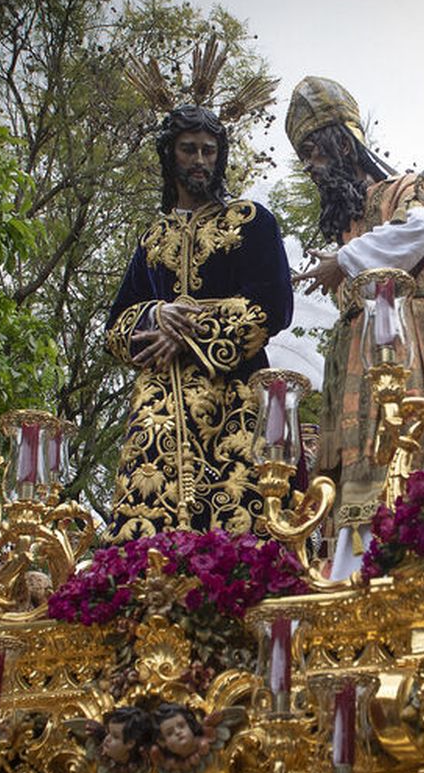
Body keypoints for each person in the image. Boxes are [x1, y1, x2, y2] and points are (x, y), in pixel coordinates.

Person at [284, 75, 424, 575]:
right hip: (353, 361)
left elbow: (423, 228)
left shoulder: (407, 188)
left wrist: (343, 261)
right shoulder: (347, 224)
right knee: (353, 475)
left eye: (314, 151)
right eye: (303, 155)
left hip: (412, 342)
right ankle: (350, 577)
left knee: (417, 450)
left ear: (344, 143)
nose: (310, 166)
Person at [105, 104, 294, 541]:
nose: (200, 161)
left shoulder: (250, 221)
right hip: (158, 408)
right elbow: (114, 326)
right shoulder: (153, 238)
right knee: (147, 533)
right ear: (169, 156)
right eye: (189, 150)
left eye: (209, 151)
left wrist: (187, 332)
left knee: (240, 517)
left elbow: (273, 304)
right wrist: (156, 314)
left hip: (233, 395)